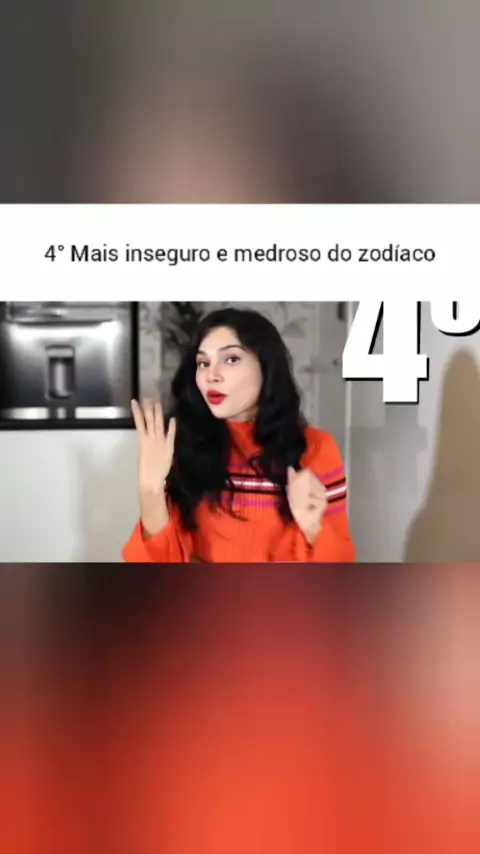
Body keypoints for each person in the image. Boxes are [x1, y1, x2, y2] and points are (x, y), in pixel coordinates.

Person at [123, 307, 356, 563]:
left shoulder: (316, 448)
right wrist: (150, 490)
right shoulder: (182, 445)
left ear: (266, 367)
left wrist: (313, 528)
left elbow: (340, 572)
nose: (212, 376)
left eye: (231, 359)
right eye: (203, 363)